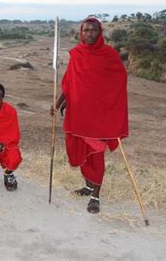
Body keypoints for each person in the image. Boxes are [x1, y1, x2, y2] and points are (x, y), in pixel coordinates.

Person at [51, 17, 128, 214]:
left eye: (93, 30)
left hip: (99, 117)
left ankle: (95, 196)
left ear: (99, 32)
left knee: (96, 154)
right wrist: (57, 103)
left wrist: (110, 105)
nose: (89, 34)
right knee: (79, 149)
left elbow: (119, 80)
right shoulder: (77, 54)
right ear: (81, 32)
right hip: (78, 114)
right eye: (86, 30)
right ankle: (87, 185)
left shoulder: (109, 55)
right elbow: (69, 83)